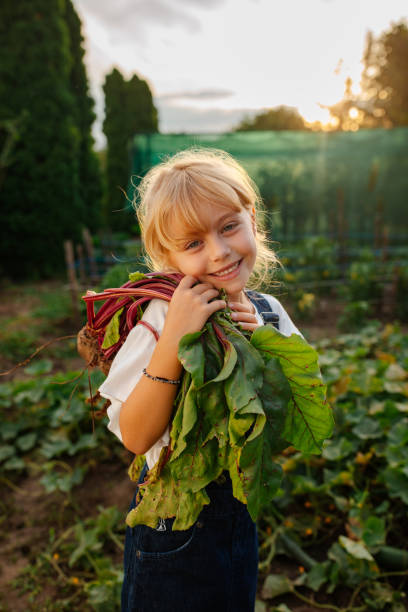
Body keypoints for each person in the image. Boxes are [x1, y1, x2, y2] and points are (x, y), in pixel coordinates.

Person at [98, 148, 302, 612]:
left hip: (239, 516)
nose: (219, 252)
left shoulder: (270, 314)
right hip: (172, 520)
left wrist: (265, 348)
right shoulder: (161, 318)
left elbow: (291, 420)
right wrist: (174, 339)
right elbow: (136, 435)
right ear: (166, 257)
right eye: (192, 244)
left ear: (251, 218)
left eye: (229, 226)